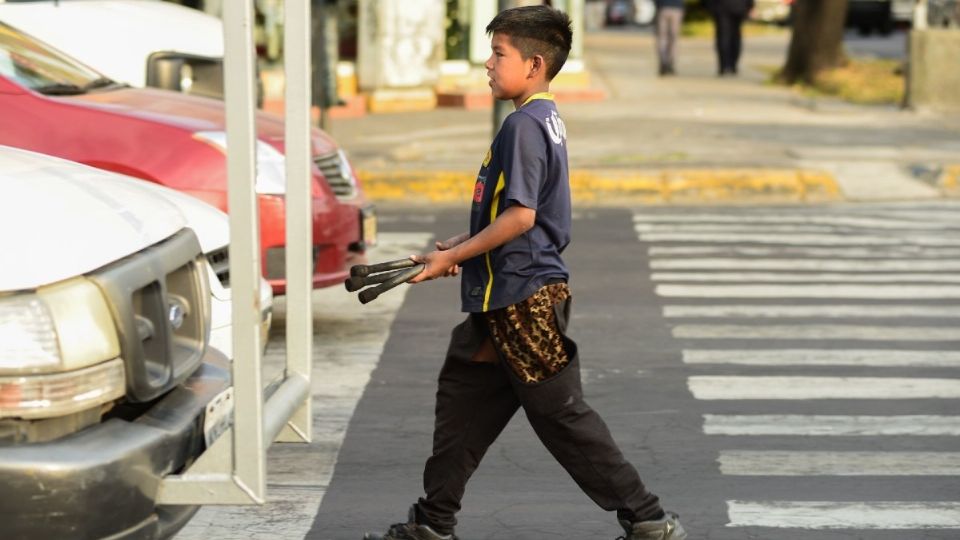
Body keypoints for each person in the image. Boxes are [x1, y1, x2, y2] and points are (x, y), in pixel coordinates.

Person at [362, 6, 687, 540]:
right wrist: (458, 247)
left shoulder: (523, 124)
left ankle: (647, 517)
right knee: (463, 402)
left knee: (559, 415)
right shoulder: (542, 118)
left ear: (535, 64)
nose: (487, 65)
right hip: (505, 294)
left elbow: (522, 216)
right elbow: (518, 213)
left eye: (498, 55)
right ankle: (432, 522)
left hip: (524, 297)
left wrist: (453, 258)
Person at [705, 0, 754, 75]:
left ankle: (724, 65)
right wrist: (750, 6)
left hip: (722, 7)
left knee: (724, 36)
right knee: (734, 37)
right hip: (737, 6)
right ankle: (731, 65)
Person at [654, 0, 686, 76]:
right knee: (673, 38)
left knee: (662, 37)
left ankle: (663, 61)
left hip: (663, 7)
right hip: (676, 8)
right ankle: (670, 63)